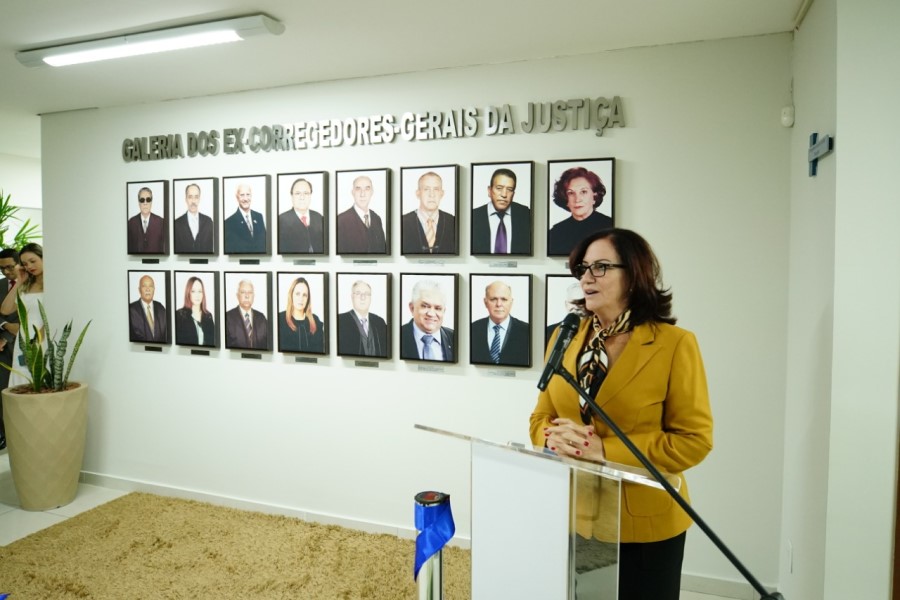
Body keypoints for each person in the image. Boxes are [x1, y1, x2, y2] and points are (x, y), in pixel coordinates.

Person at [530, 228, 713, 600]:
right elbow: (541, 417)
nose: (586, 277)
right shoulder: (563, 337)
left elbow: (693, 441)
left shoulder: (675, 345)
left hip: (644, 526)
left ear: (634, 273)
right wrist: (551, 438)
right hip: (574, 516)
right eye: (582, 268)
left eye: (600, 267)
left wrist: (605, 452)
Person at [1, 244, 45, 389]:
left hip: (43, 337)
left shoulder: (54, 283)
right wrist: (19, 281)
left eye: (33, 261)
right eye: (25, 264)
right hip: (24, 338)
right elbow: (5, 310)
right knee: (22, 383)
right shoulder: (25, 285)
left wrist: (37, 340)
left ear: (43, 258)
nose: (29, 266)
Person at [547, 167, 613, 256]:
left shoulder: (609, 226)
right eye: (571, 193)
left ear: (595, 196)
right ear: (565, 198)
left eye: (583, 192)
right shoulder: (556, 232)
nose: (577, 199)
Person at [472, 168, 532, 255]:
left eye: (509, 189)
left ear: (513, 194)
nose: (504, 194)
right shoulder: (474, 216)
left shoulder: (526, 215)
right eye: (499, 188)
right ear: (489, 191)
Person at [470, 280, 530, 367]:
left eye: (504, 299)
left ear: (511, 302)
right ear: (485, 302)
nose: (498, 304)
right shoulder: (472, 329)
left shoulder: (526, 331)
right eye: (493, 299)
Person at [401, 171, 456, 254]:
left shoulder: (452, 221)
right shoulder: (403, 222)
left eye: (436, 189)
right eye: (426, 189)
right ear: (418, 193)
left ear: (442, 194)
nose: (432, 195)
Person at [400, 279, 454, 362]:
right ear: (412, 308)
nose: (431, 314)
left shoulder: (455, 338)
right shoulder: (397, 336)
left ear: (444, 311)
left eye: (438, 308)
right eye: (425, 306)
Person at [336, 175, 387, 254]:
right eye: (358, 189)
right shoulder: (341, 220)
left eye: (367, 189)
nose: (362, 194)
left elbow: (383, 250)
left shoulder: (376, 219)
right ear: (352, 192)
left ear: (372, 192)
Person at [337, 280, 388, 358]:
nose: (363, 297)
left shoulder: (379, 322)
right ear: (352, 296)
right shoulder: (341, 321)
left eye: (367, 294)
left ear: (371, 298)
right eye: (358, 293)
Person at [0, 248, 20, 448]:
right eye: (2, 269)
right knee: (2, 390)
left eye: (9, 267)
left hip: (29, 344)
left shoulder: (33, 284)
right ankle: (4, 434)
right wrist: (5, 329)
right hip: (3, 347)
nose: (6, 272)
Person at [278, 277, 324, 353]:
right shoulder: (280, 319)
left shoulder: (316, 321)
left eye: (304, 295)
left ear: (308, 298)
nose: (301, 298)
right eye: (297, 294)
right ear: (291, 295)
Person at [278, 178, 325, 254]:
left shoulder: (319, 218)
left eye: (306, 193)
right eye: (297, 193)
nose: (302, 197)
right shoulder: (281, 221)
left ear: (310, 196)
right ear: (292, 196)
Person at [224, 279, 270, 350]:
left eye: (250, 292)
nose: (247, 296)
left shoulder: (261, 318)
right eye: (243, 292)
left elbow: (268, 344)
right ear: (237, 295)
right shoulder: (227, 317)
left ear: (254, 296)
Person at [223, 182, 267, 254]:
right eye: (242, 195)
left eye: (248, 194)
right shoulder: (229, 222)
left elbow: (264, 243)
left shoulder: (259, 217)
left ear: (251, 196)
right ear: (237, 197)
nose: (245, 199)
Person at [173, 183, 215, 254]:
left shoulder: (208, 222)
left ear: (199, 199)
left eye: (196, 197)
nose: (193, 201)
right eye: (190, 197)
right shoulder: (177, 224)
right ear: (186, 199)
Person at [174, 276, 216, 347]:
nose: (197, 295)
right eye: (193, 291)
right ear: (188, 293)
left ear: (203, 294)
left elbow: (213, 342)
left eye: (200, 291)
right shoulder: (180, 315)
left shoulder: (208, 316)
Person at [128, 274, 168, 343]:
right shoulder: (131, 309)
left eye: (151, 286)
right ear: (139, 289)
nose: (148, 289)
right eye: (144, 286)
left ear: (154, 289)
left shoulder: (161, 308)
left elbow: (166, 335)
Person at [127, 186, 167, 254]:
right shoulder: (131, 223)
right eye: (142, 200)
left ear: (151, 202)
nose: (145, 203)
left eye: (148, 199)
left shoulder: (161, 222)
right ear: (138, 202)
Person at [545, 280, 586, 346]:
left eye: (580, 303)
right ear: (566, 304)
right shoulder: (549, 331)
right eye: (572, 303)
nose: (576, 307)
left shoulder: (595, 332)